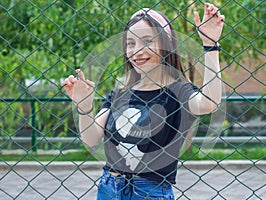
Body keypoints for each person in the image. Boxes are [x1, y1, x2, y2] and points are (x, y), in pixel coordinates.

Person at [62, 3, 224, 200]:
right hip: (108, 188)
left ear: (167, 44)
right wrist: (84, 106)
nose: (137, 51)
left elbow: (209, 103)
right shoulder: (120, 94)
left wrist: (210, 45)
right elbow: (91, 138)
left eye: (147, 41)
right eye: (131, 43)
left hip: (150, 192)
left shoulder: (178, 91)